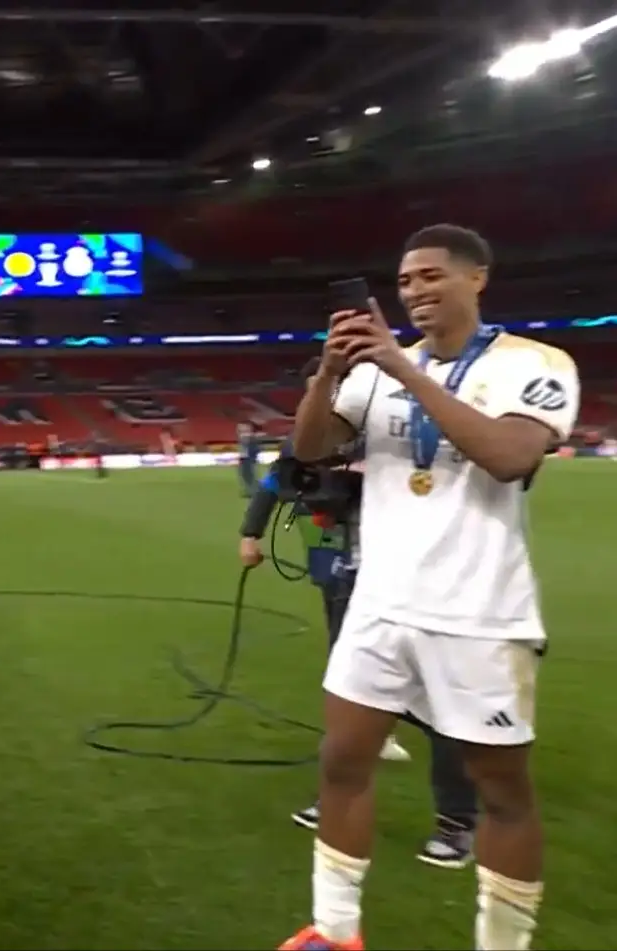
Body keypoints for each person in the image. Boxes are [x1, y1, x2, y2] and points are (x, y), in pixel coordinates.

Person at [280, 224, 579, 951]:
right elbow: (309, 449)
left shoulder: (534, 364)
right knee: (342, 764)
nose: (413, 291)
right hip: (379, 605)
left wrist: (402, 369)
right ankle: (334, 931)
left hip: (478, 613)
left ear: (477, 277)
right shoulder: (375, 369)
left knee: (501, 793)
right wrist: (327, 374)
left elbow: (509, 457)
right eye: (405, 280)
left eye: (430, 276)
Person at [240, 358, 479, 869]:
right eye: (318, 390)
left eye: (335, 389)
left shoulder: (399, 432)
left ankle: (457, 822)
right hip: (343, 577)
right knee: (350, 694)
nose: (327, 400)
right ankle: (338, 796)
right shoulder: (310, 437)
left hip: (417, 586)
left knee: (438, 701)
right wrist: (252, 531)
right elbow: (276, 481)